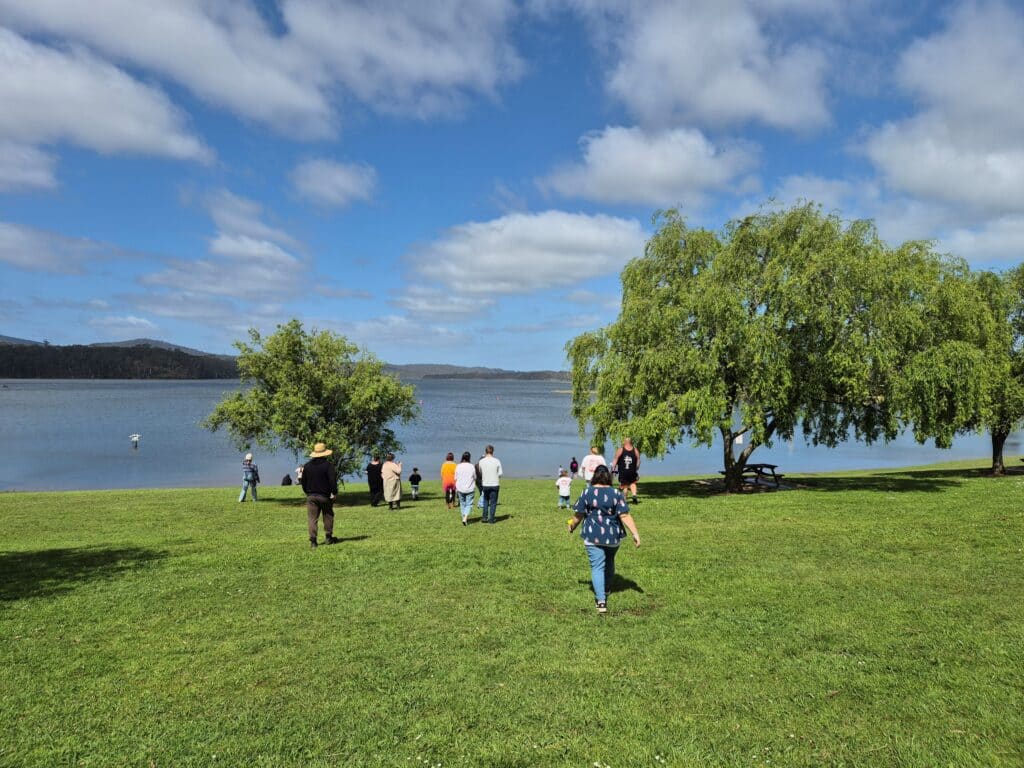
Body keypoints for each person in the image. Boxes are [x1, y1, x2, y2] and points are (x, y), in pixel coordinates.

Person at [568, 465, 640, 613]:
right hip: (613, 537)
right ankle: (606, 588)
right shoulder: (616, 493)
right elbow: (624, 515)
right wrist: (635, 534)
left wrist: (571, 526)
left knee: (597, 567)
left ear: (594, 476)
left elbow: (578, 515)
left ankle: (601, 601)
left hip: (592, 536)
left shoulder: (587, 492)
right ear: (608, 477)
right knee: (609, 562)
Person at [301, 443, 339, 549]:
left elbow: (303, 481)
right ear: (325, 453)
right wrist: (334, 492)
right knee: (328, 515)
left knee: (312, 518)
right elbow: (332, 481)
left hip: (311, 495)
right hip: (324, 496)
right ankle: (328, 537)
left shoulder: (307, 466)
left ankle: (313, 541)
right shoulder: (328, 465)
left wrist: (307, 492)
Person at [478, 445, 502, 524]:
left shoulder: (481, 461)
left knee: (485, 500)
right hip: (495, 484)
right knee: (493, 502)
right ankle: (491, 519)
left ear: (486, 451)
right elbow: (500, 473)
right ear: (493, 451)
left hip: (485, 484)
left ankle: (484, 517)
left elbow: (480, 472)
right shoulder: (497, 461)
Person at [612, 437, 641, 503]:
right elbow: (638, 460)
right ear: (631, 442)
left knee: (624, 485)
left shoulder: (620, 450)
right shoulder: (635, 450)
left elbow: (615, 460)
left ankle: (624, 499)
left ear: (625, 442)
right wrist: (637, 468)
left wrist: (613, 469)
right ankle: (634, 495)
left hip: (623, 471)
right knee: (633, 483)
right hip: (632, 471)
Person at [454, 451, 477, 525]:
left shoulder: (458, 466)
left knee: (462, 503)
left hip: (460, 488)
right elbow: (475, 477)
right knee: (469, 504)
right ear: (469, 458)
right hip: (470, 488)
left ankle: (464, 517)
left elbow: (455, 478)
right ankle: (465, 517)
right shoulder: (471, 466)